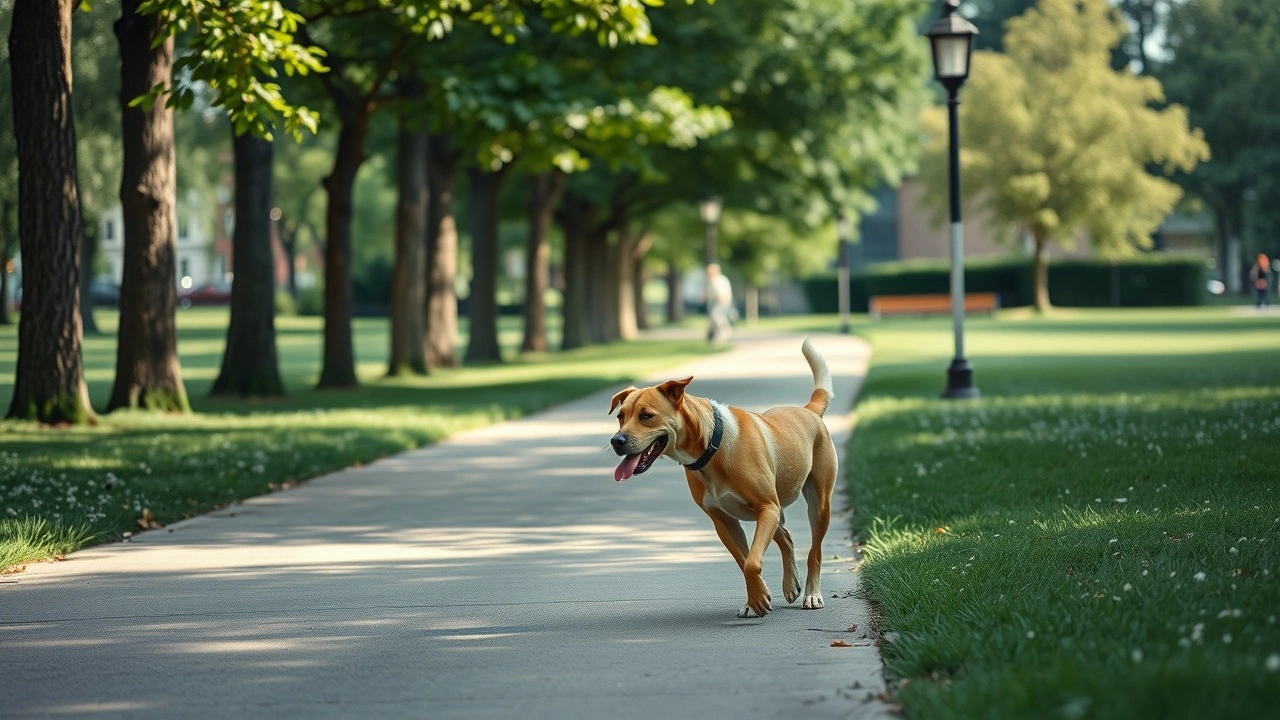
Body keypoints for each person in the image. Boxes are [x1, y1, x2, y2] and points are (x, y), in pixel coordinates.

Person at [705, 263, 735, 342]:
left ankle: (726, 331)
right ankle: (714, 336)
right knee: (714, 319)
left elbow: (720, 293)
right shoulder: (717, 280)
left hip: (721, 302)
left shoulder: (717, 280)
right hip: (719, 302)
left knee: (716, 316)